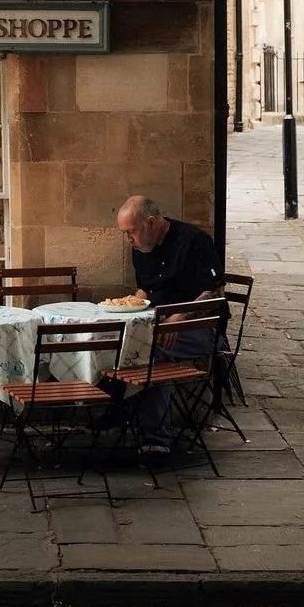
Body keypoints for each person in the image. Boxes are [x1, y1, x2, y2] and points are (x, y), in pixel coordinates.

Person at [115, 194, 224, 460]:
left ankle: (155, 438)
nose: (128, 239)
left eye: (131, 232)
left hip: (201, 327)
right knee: (119, 340)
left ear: (151, 223)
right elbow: (146, 288)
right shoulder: (142, 247)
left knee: (153, 350)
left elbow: (214, 292)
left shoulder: (195, 241)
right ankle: (120, 414)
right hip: (156, 323)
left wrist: (181, 316)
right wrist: (129, 303)